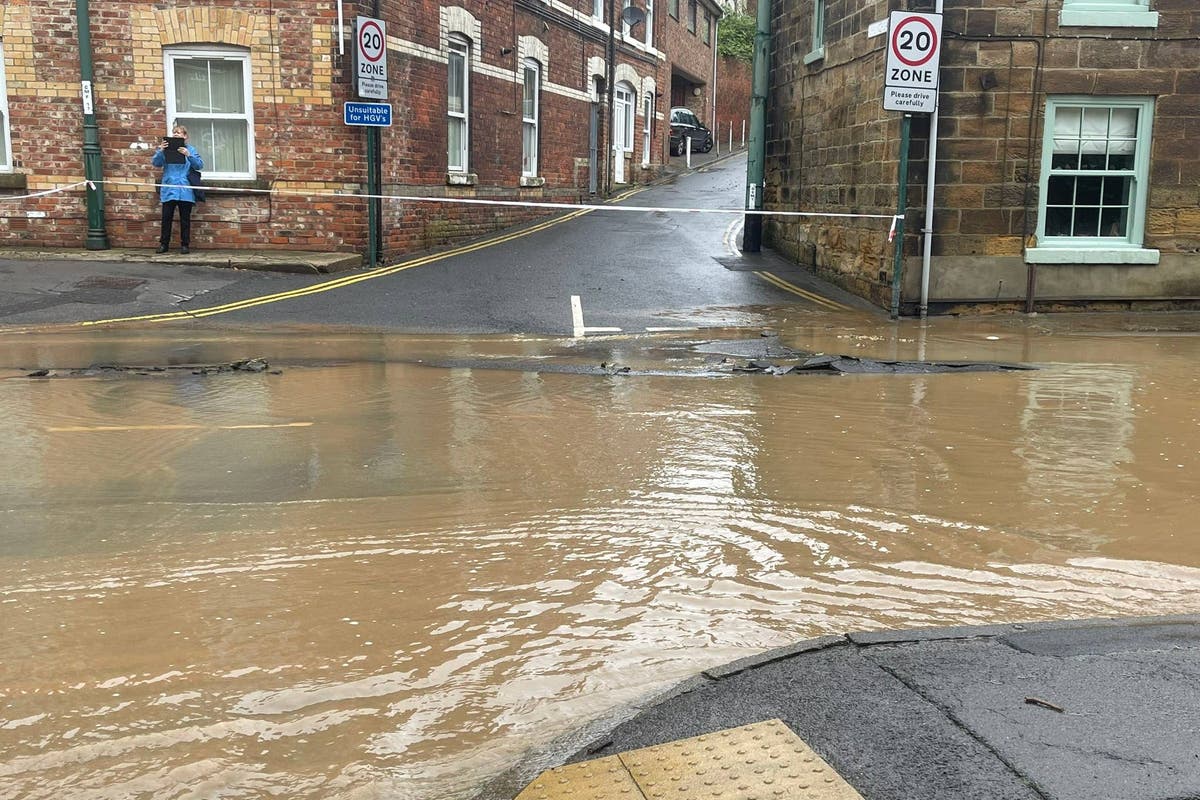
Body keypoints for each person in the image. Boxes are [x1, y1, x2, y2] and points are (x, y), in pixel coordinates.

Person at [152, 124, 204, 254]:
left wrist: (189, 155)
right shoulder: (167, 150)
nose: (176, 134)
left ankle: (185, 245)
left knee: (185, 219)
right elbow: (156, 163)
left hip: (185, 189)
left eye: (179, 132)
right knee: (166, 218)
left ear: (185, 136)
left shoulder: (191, 149)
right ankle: (164, 244)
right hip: (169, 188)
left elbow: (199, 165)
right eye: (174, 132)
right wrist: (160, 151)